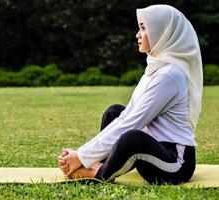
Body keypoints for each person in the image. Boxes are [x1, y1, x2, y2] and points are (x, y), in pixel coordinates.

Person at [58, 4, 203, 185]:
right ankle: (98, 163)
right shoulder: (155, 69)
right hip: (154, 148)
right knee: (114, 112)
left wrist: (81, 156)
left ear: (162, 32)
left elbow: (133, 123)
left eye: (143, 28)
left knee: (131, 137)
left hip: (175, 164)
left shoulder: (170, 75)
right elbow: (126, 117)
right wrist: (82, 154)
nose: (137, 34)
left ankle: (100, 174)